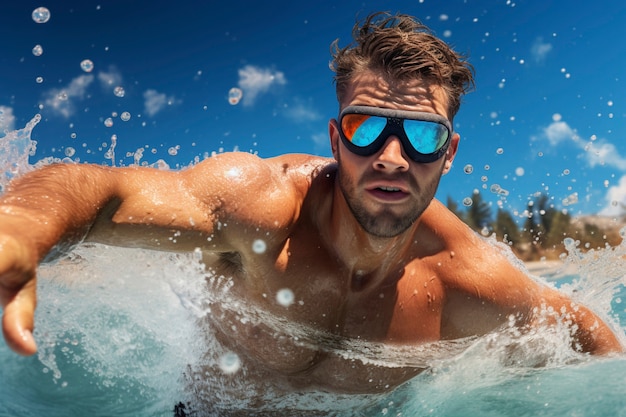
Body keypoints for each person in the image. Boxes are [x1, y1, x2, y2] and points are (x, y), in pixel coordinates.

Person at [0, 10, 622, 408]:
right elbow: (93, 189)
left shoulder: (466, 278)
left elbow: (589, 336)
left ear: (451, 151)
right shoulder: (262, 208)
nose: (393, 156)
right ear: (334, 139)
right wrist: (20, 231)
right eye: (366, 128)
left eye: (423, 135)